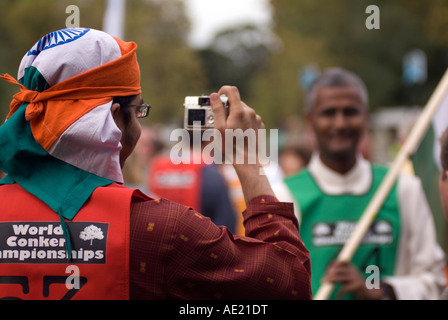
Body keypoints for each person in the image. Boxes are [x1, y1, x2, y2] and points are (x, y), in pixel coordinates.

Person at [0, 28, 311, 300]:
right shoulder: (160, 231)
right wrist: (247, 160)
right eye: (138, 111)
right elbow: (289, 283)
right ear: (111, 119)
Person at [278, 67, 445, 299]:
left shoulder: (402, 189)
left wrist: (385, 291)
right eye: (328, 113)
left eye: (350, 112)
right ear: (310, 120)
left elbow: (435, 281)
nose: (340, 124)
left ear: (366, 116)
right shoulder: (285, 196)